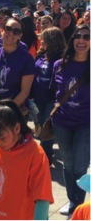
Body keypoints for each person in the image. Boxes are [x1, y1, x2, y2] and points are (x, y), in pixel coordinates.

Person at [51, 24, 90, 217]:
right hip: (62, 122)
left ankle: (78, 205)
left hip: (86, 124)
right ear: (72, 40)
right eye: (78, 36)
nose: (81, 41)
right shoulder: (59, 64)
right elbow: (53, 92)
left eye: (86, 37)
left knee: (81, 166)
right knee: (68, 164)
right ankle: (72, 199)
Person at [0, 17, 35, 113]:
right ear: (2, 30)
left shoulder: (27, 59)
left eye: (16, 31)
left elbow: (25, 92)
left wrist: (8, 110)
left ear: (20, 35)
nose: (11, 33)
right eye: (8, 29)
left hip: (16, 111)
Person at [31, 27, 66, 165]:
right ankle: (44, 154)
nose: (41, 40)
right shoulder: (41, 55)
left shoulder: (61, 58)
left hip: (51, 99)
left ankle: (44, 158)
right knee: (38, 127)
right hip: (37, 98)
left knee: (46, 129)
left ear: (52, 40)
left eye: (44, 38)